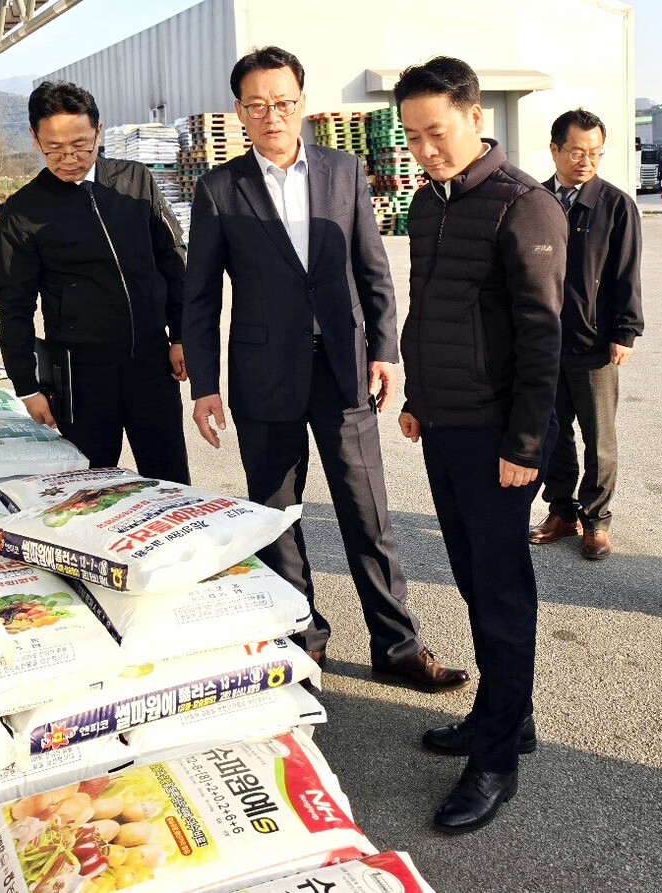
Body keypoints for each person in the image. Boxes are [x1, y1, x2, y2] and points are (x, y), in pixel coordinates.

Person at [182, 46, 468, 693]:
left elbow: (373, 270)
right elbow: (198, 298)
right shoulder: (219, 189)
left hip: (345, 371)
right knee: (276, 518)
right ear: (240, 112)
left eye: (283, 102)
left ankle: (397, 645)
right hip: (262, 377)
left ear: (302, 103)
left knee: (369, 514)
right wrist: (204, 385)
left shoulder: (344, 171)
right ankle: (299, 642)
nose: (272, 115)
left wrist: (385, 351)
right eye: (257, 105)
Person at [394, 57, 565, 831]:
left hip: (500, 437)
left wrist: (525, 443)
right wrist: (419, 397)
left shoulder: (523, 205)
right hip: (446, 424)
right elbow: (429, 306)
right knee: (472, 577)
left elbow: (541, 337)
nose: (426, 149)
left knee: (499, 594)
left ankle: (496, 760)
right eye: (413, 136)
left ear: (473, 115)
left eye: (436, 132)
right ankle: (507, 712)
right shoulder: (428, 202)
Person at [0, 81, 190, 483]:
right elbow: (14, 305)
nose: (69, 159)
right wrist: (27, 386)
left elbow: (173, 260)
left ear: (99, 131)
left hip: (150, 364)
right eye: (54, 148)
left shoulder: (135, 181)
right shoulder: (23, 212)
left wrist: (182, 335)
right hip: (80, 377)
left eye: (81, 145)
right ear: (35, 139)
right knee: (91, 488)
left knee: (170, 481)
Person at [529, 108, 643, 559]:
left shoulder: (616, 205)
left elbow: (627, 274)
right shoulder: (534, 200)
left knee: (599, 439)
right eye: (577, 151)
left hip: (593, 343)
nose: (586, 161)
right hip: (543, 342)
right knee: (552, 433)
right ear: (554, 149)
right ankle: (562, 511)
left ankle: (596, 520)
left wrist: (625, 331)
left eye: (595, 152)